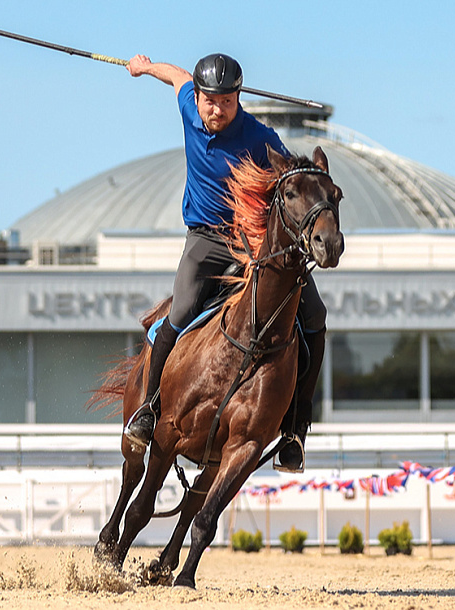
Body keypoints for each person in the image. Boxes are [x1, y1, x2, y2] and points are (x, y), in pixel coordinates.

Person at [122, 52, 327, 472]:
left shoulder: (259, 136)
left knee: (315, 315)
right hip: (205, 241)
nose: (217, 110)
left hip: (251, 243)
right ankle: (147, 410)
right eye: (210, 101)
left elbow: (294, 177)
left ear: (239, 98)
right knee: (178, 313)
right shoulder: (188, 107)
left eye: (227, 102)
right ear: (197, 99)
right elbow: (176, 75)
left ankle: (294, 431)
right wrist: (144, 66)